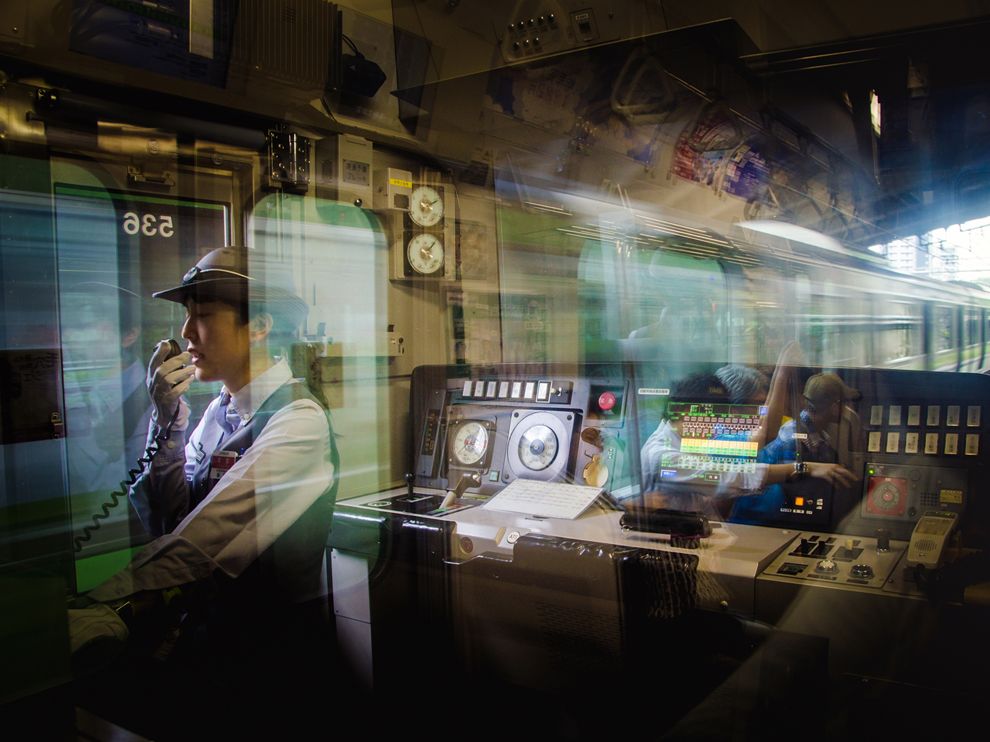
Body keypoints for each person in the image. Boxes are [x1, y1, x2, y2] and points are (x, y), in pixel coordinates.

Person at [69, 246, 340, 736]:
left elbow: (203, 542)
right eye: (187, 318)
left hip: (271, 655)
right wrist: (167, 424)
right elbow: (172, 518)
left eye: (203, 317)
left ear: (257, 326)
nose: (186, 335)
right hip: (214, 640)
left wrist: (101, 601)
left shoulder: (298, 421)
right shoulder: (220, 411)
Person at [638, 366, 855, 521]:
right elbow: (733, 475)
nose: (717, 426)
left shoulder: (692, 441)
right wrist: (803, 468)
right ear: (685, 411)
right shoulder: (662, 457)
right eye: (713, 417)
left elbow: (758, 439)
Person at [730, 371, 860, 523]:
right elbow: (791, 494)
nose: (847, 409)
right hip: (762, 525)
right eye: (844, 403)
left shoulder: (818, 436)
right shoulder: (792, 438)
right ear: (834, 407)